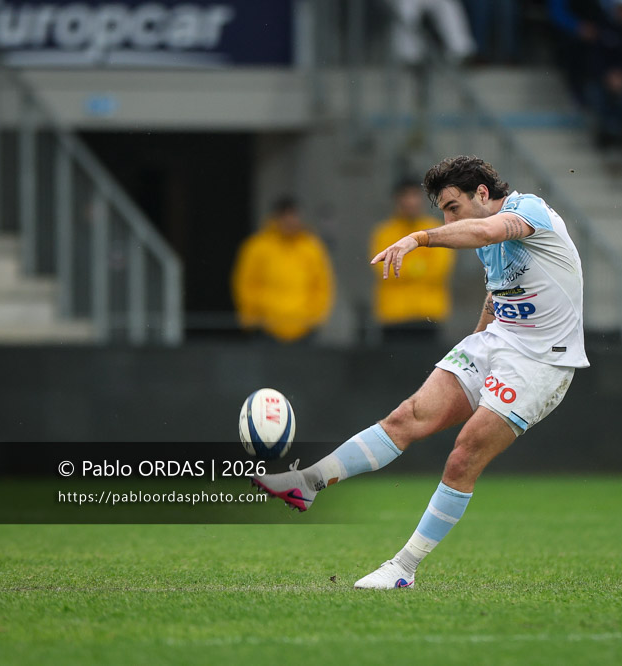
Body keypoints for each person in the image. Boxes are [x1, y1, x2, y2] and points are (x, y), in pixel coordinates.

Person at [253, 156, 589, 589]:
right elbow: (498, 295)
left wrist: (421, 237)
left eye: (452, 207)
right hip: (497, 342)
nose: (447, 218)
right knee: (406, 417)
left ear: (482, 194)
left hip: (543, 360)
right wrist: (472, 350)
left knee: (464, 453)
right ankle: (307, 482)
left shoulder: (531, 211)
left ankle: (403, 569)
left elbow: (487, 229)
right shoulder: (484, 240)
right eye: (442, 212)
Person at [230, 197, 335, 343]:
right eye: (285, 216)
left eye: (293, 216)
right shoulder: (257, 247)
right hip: (266, 327)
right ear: (276, 218)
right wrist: (252, 317)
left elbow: (322, 285)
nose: (290, 221)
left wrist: (315, 317)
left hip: (303, 327)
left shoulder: (311, 248)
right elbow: (245, 284)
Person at [369, 179, 456, 345]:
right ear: (397, 200)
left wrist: (405, 268)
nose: (410, 201)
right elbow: (384, 270)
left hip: (429, 315)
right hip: (393, 316)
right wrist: (420, 266)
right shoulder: (384, 233)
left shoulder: (435, 230)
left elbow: (440, 269)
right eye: (406, 196)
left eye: (415, 196)